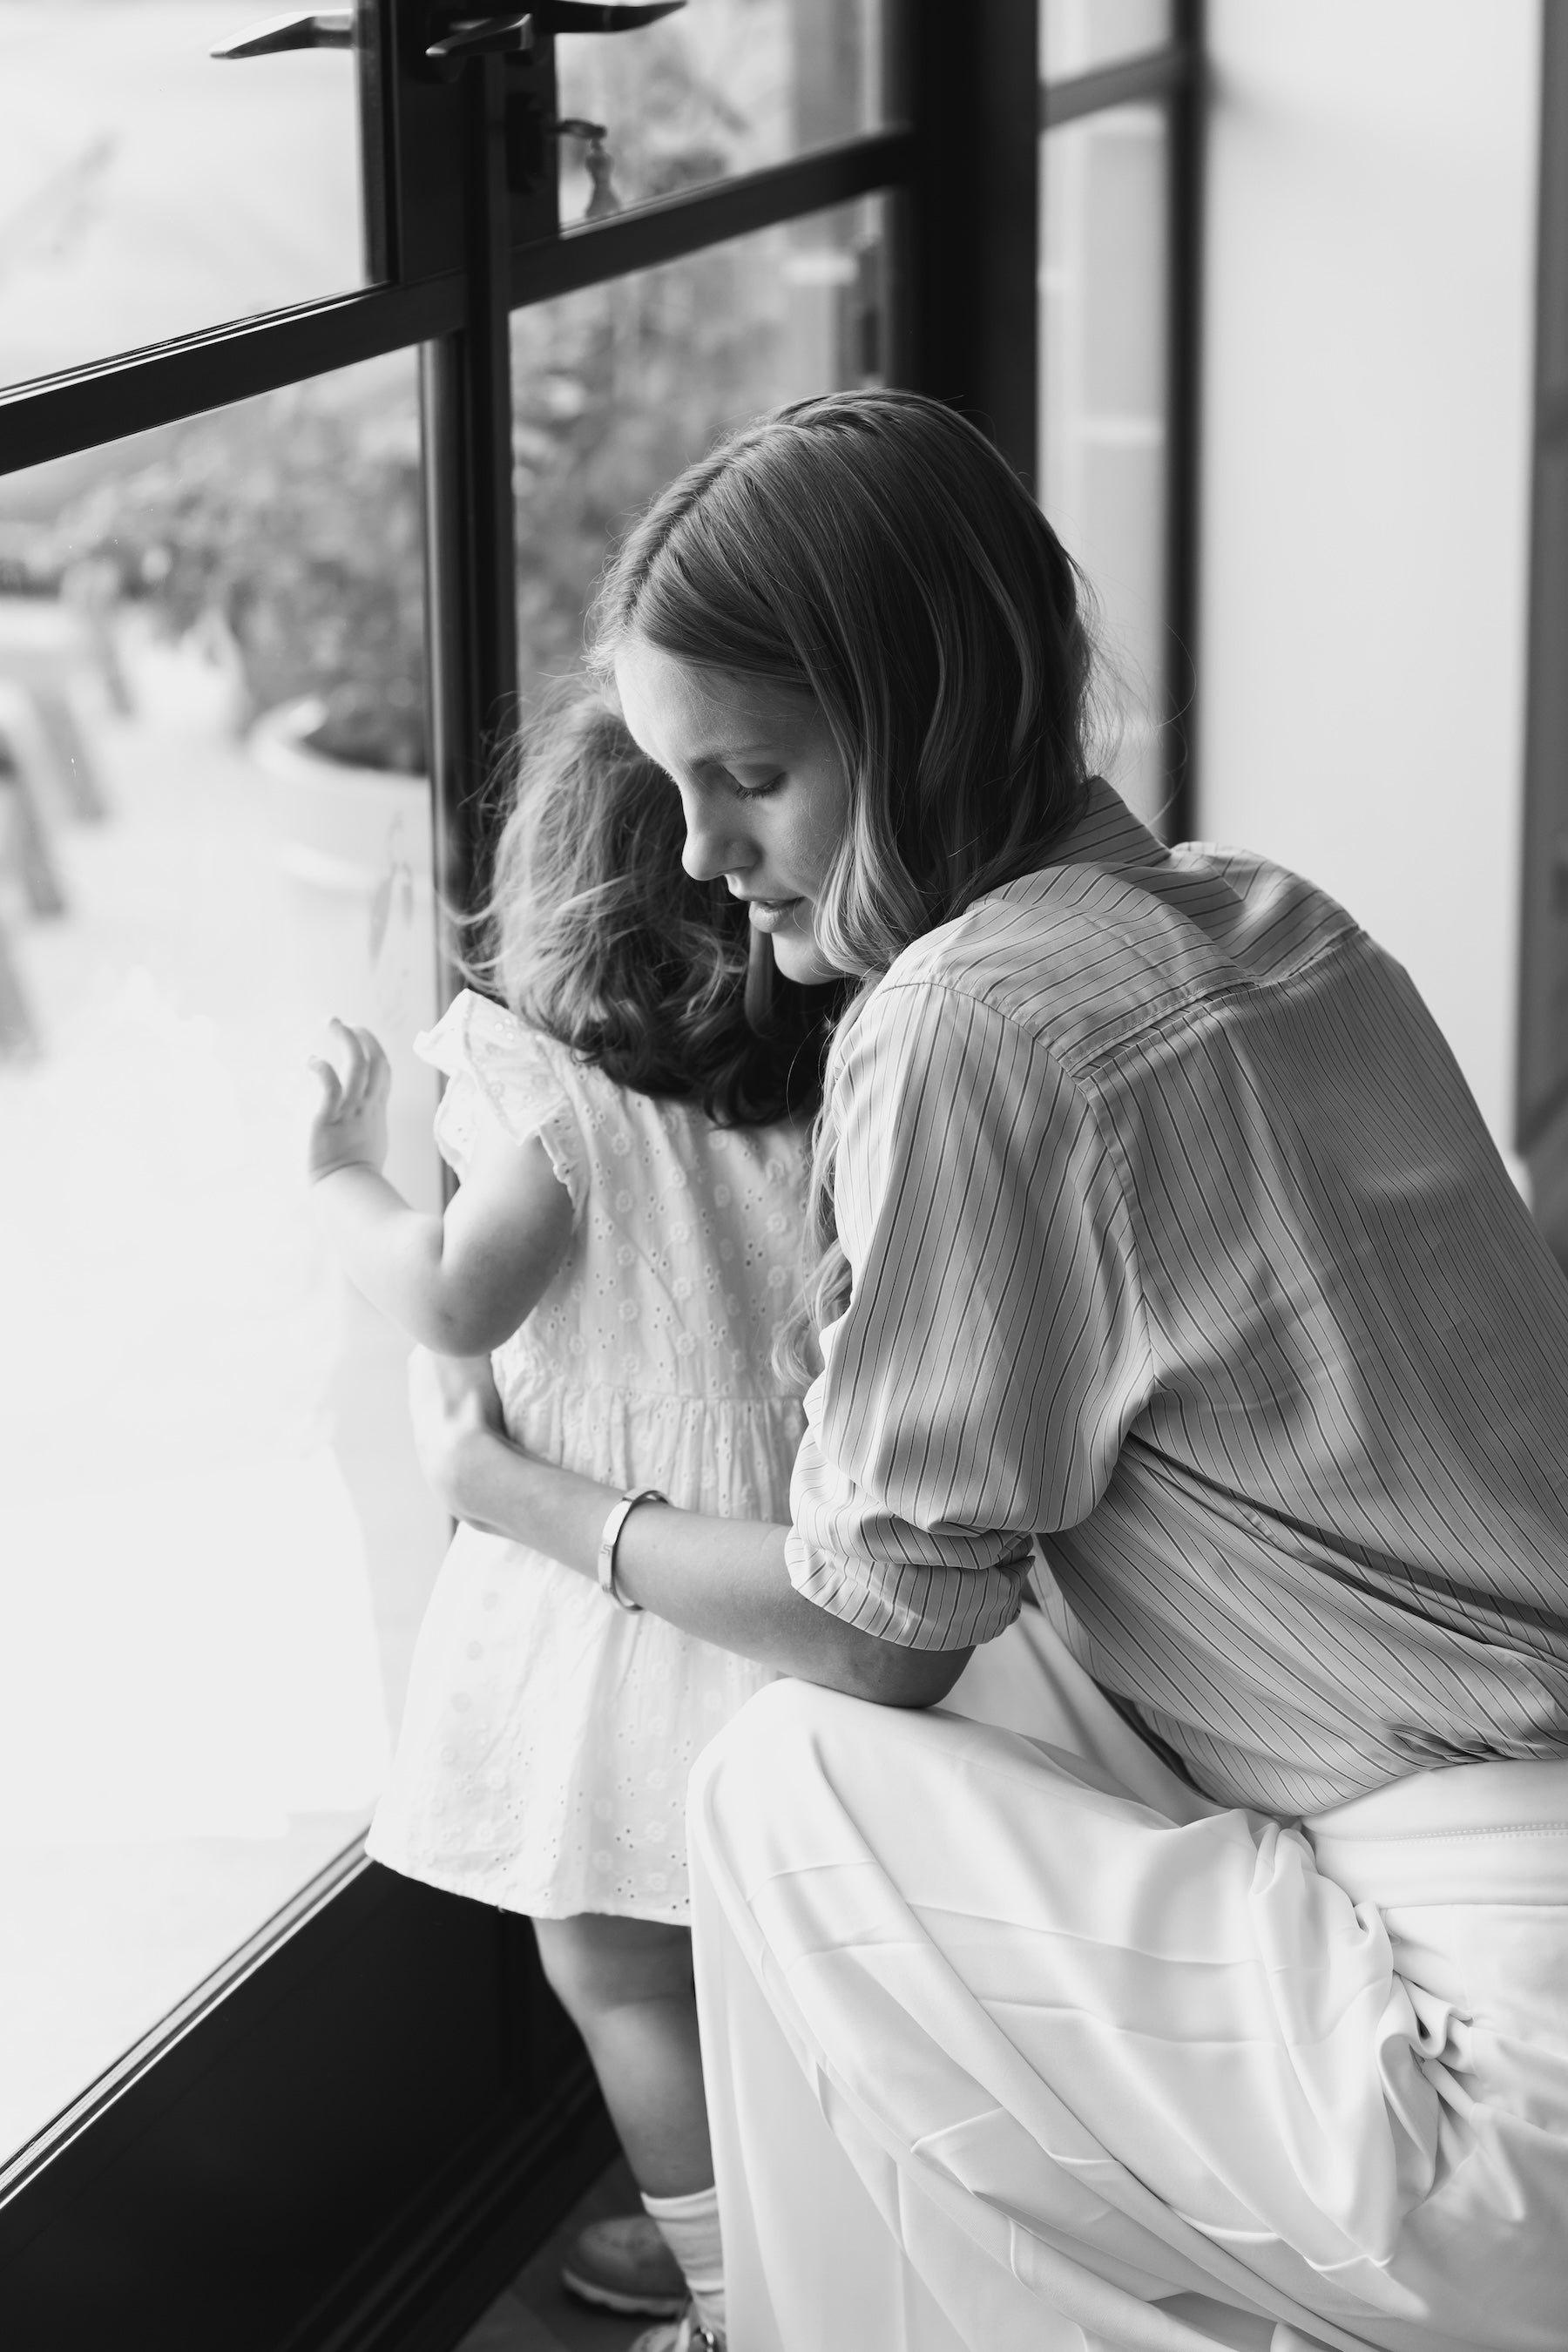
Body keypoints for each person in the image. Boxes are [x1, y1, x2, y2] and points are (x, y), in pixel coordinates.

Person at [405, 389, 1568, 2352]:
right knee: (997, 1667)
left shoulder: (976, 1020)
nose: (700, 856)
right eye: (679, 784)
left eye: (752, 778)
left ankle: (784, 2318)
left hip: (1501, 2076)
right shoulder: (1280, 919)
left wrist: (528, 1500)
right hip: (1510, 1892)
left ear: (922, 724)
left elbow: (874, 1636)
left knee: (790, 1777)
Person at [307, 693, 836, 2352]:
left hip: (619, 1613)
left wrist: (340, 1177)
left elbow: (455, 1300)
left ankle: (739, 2306)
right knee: (790, 1972)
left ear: (561, 897)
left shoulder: (559, 1102)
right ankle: (812, 2256)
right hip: (787, 1585)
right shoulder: (827, 1068)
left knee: (615, 1972)